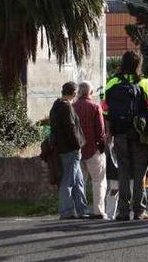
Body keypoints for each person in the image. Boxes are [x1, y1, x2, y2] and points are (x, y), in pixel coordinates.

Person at [102, 50, 148, 221]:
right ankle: (139, 210)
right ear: (138, 64)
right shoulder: (143, 83)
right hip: (140, 135)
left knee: (123, 172)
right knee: (140, 172)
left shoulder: (112, 82)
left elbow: (105, 109)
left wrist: (110, 131)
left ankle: (123, 211)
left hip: (120, 134)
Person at [50, 81, 89, 220]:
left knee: (78, 181)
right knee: (69, 180)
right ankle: (66, 211)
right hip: (70, 149)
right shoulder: (67, 108)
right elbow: (71, 129)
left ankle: (82, 209)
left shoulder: (56, 106)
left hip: (62, 148)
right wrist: (78, 144)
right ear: (73, 93)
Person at [73, 81, 108, 220]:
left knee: (80, 181)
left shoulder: (72, 107)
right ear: (91, 93)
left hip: (77, 149)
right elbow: (101, 130)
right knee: (98, 181)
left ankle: (79, 210)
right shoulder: (95, 107)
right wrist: (102, 146)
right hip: (93, 149)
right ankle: (98, 211)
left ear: (79, 92)